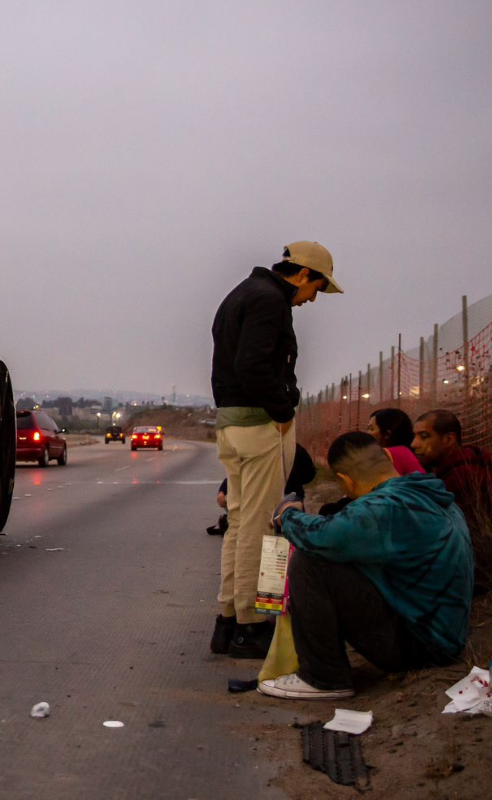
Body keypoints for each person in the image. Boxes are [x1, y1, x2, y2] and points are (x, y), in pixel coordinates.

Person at [256, 432, 473, 699]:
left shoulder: (385, 507)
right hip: (446, 636)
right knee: (336, 555)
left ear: (346, 480)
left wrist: (288, 514)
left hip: (422, 648)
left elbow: (321, 537)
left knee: (310, 560)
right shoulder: (426, 495)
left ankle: (324, 678)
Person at [209, 242, 343, 659]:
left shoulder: (242, 292)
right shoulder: (271, 301)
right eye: (316, 288)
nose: (312, 299)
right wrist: (283, 412)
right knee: (262, 525)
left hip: (232, 421)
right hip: (260, 423)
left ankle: (228, 621)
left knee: (239, 521)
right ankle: (251, 627)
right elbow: (254, 365)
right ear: (302, 274)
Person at [410, 409, 492, 535]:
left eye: (424, 436)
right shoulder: (454, 470)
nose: (414, 444)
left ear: (449, 439)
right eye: (414, 436)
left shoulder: (466, 477)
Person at [207, 444, 315, 536]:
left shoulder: (258, 449)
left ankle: (233, 523)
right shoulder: (294, 448)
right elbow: (310, 474)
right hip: (284, 499)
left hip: (268, 499)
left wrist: (222, 491)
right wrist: (222, 491)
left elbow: (238, 474)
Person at [366, 408, 424, 476]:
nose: (367, 433)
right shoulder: (406, 452)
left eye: (371, 429)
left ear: (386, 434)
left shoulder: (391, 454)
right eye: (367, 428)